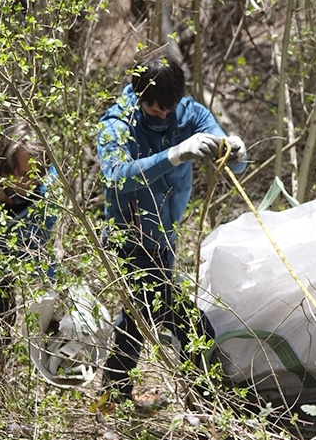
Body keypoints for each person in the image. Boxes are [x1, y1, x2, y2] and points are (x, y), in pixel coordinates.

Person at [97, 53, 247, 409]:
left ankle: (111, 399)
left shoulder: (190, 115)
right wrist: (174, 154)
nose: (163, 115)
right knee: (187, 322)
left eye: (169, 108)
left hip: (165, 239)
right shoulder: (120, 121)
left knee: (137, 317)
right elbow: (115, 175)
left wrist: (235, 151)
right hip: (129, 238)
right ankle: (210, 401)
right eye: (154, 109)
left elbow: (227, 157)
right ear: (138, 97)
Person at [0, 115, 57, 368]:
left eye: (39, 173)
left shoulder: (47, 193)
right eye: (25, 174)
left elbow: (38, 247)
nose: (33, 182)